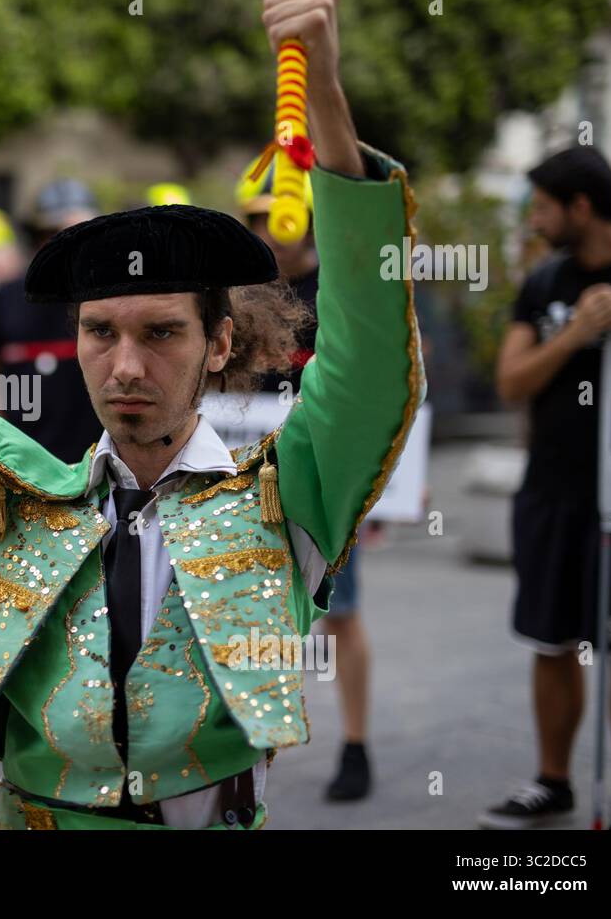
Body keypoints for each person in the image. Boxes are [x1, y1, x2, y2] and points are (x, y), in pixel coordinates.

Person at [0, 0, 422, 828]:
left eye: (162, 333)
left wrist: (321, 88)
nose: (125, 365)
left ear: (222, 344)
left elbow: (368, 368)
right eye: (101, 332)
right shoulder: (12, 499)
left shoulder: (291, 496)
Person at [482, 146, 611, 830]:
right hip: (552, 490)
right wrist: (577, 333)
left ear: (580, 206)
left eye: (543, 206)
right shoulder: (546, 283)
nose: (535, 219)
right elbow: (512, 383)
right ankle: (553, 781)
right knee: (551, 639)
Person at [237, 154, 372, 801]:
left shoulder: (339, 293)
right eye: (255, 220)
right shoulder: (233, 298)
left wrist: (397, 481)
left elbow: (381, 390)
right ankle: (252, 740)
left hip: (324, 483)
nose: (268, 232)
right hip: (247, 481)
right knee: (256, 617)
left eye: (278, 217)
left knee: (340, 616)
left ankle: (354, 743)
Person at [0, 179, 104, 464]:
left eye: (79, 235)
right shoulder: (7, 297)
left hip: (97, 459)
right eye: (54, 234)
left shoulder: (109, 298)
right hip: (22, 460)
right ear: (37, 237)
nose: (66, 246)